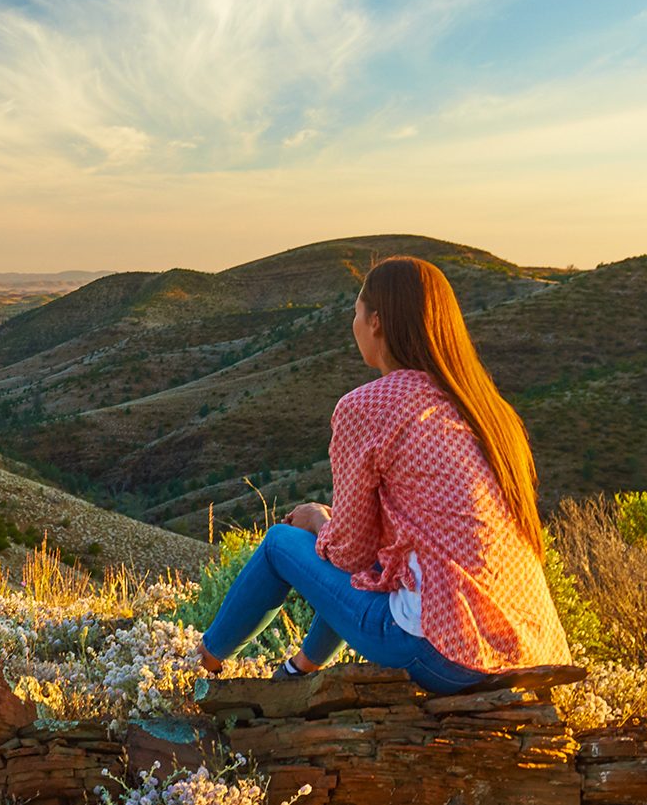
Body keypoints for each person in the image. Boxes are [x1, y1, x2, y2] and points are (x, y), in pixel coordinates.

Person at [195, 256, 571, 694]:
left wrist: (319, 521)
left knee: (281, 544)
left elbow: (349, 553)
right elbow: (376, 552)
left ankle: (203, 665)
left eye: (356, 313)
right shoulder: (486, 411)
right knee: (376, 558)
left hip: (439, 650)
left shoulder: (368, 406)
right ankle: (299, 669)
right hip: (534, 654)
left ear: (375, 321)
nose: (353, 324)